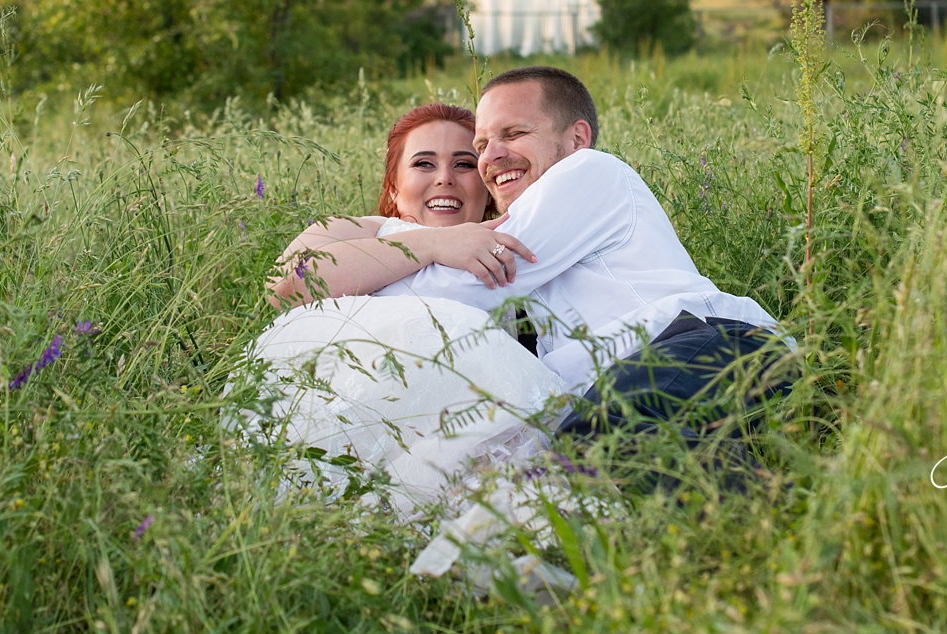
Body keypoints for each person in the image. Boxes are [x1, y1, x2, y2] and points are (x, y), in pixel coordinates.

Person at [376, 67, 788, 443]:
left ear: (577, 138)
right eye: (482, 144)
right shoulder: (528, 226)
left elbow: (456, 291)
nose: (491, 156)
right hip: (644, 378)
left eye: (514, 134)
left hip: (705, 344)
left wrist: (374, 253)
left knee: (605, 437)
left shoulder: (587, 172)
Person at [244, 104, 568, 519]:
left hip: (455, 445)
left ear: (487, 185)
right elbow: (290, 284)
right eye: (423, 163)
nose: (444, 177)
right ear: (394, 187)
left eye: (464, 164)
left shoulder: (514, 250)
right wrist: (432, 244)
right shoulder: (362, 229)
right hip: (344, 426)